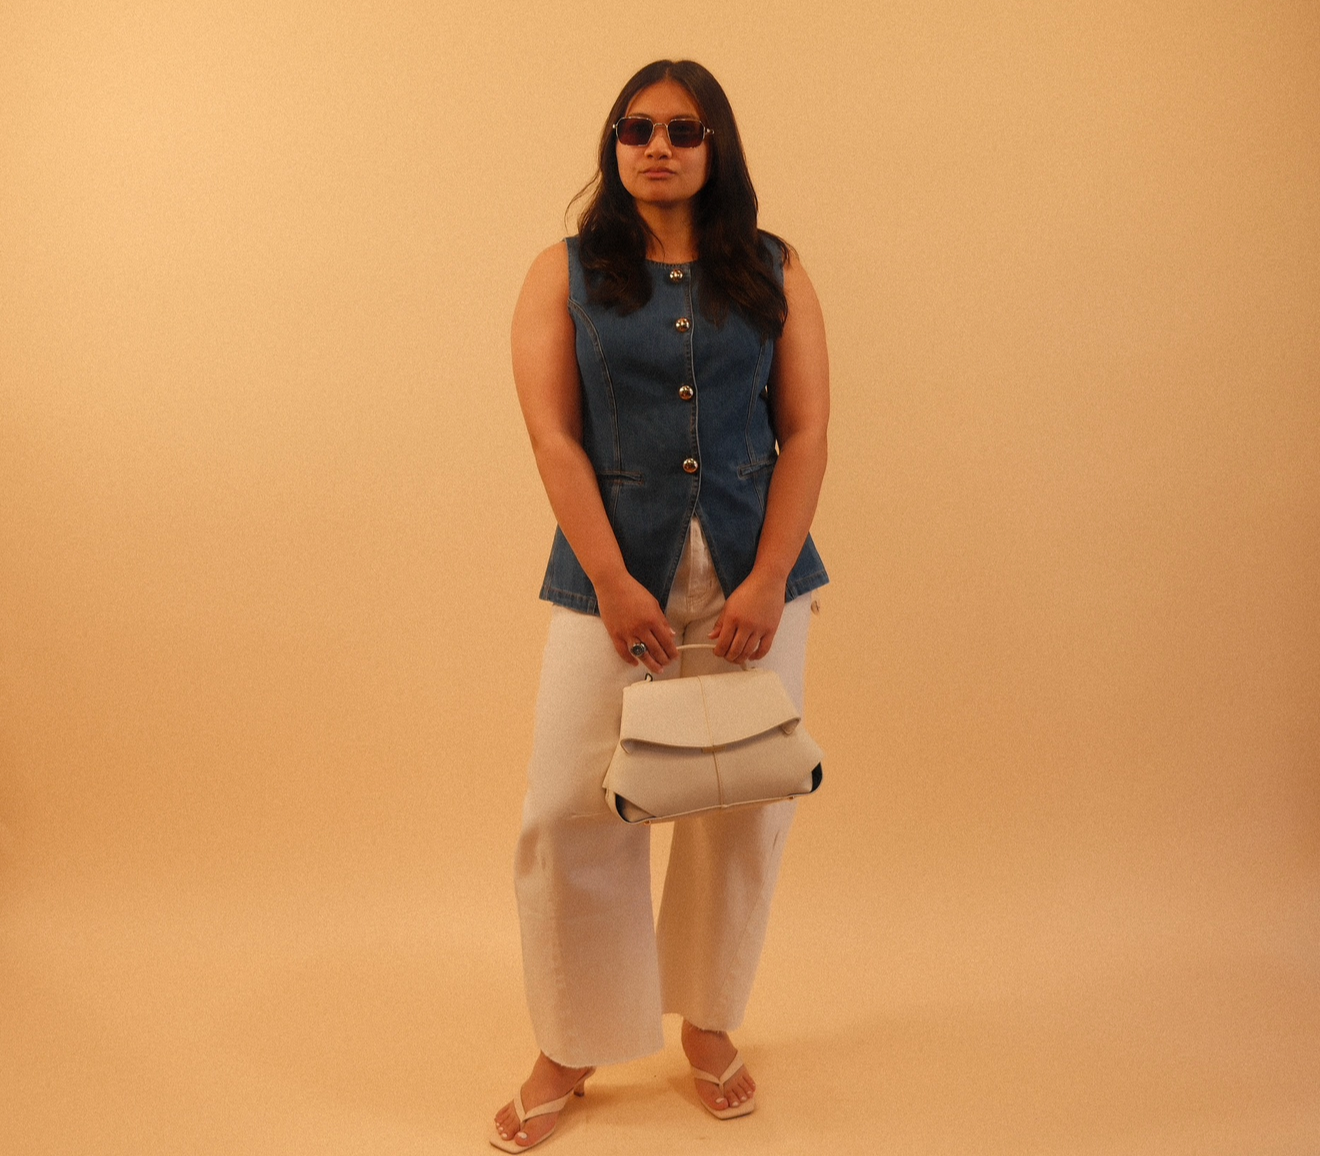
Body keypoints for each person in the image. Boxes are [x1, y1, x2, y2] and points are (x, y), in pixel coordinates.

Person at [492, 59, 829, 1152]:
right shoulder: (562, 273)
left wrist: (770, 576)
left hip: (754, 577)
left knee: (744, 805)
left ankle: (710, 1023)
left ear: (714, 146)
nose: (658, 146)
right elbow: (552, 435)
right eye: (636, 128)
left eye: (683, 130)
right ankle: (572, 1042)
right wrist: (610, 578)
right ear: (614, 143)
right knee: (568, 805)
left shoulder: (775, 268)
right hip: (610, 576)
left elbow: (806, 431)